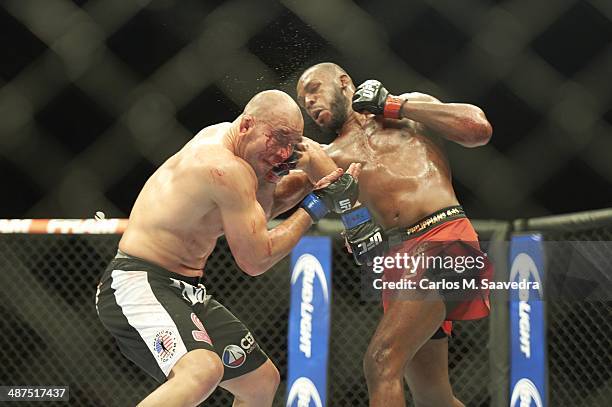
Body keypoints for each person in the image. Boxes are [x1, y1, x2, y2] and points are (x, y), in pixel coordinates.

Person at [95, 89, 361, 407]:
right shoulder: (224, 168)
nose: (283, 152)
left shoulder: (228, 143)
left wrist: (293, 182)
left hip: (183, 288)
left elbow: (257, 216)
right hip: (140, 282)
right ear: (248, 125)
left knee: (261, 382)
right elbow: (256, 259)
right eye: (277, 138)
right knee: (202, 371)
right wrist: (316, 205)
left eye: (291, 144)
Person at [296, 63, 493, 407]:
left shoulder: (408, 111)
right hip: (399, 262)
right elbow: (271, 201)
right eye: (302, 100)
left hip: (444, 237)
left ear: (344, 82)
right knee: (433, 396)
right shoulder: (326, 158)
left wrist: (395, 104)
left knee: (381, 362)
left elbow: (477, 129)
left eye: (313, 89)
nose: (309, 102)